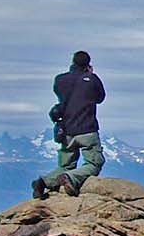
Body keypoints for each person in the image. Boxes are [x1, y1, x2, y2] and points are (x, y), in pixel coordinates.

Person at [34, 49, 105, 199]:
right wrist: (89, 75)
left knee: (65, 165)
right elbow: (100, 97)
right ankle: (70, 178)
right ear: (88, 64)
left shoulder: (60, 80)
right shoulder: (91, 79)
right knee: (93, 164)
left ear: (72, 62)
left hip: (66, 130)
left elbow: (60, 94)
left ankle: (43, 182)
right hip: (87, 129)